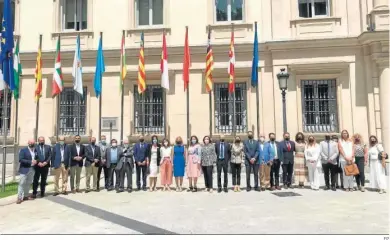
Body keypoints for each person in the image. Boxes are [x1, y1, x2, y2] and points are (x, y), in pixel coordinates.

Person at [16, 139, 37, 204]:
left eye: (33, 143)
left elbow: (37, 157)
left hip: (32, 169)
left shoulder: (35, 150)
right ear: (28, 143)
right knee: (22, 183)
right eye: (30, 143)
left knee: (28, 183)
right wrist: (30, 161)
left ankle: (25, 196)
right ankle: (19, 197)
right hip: (24, 169)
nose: (32, 144)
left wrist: (37, 161)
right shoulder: (23, 150)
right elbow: (21, 159)